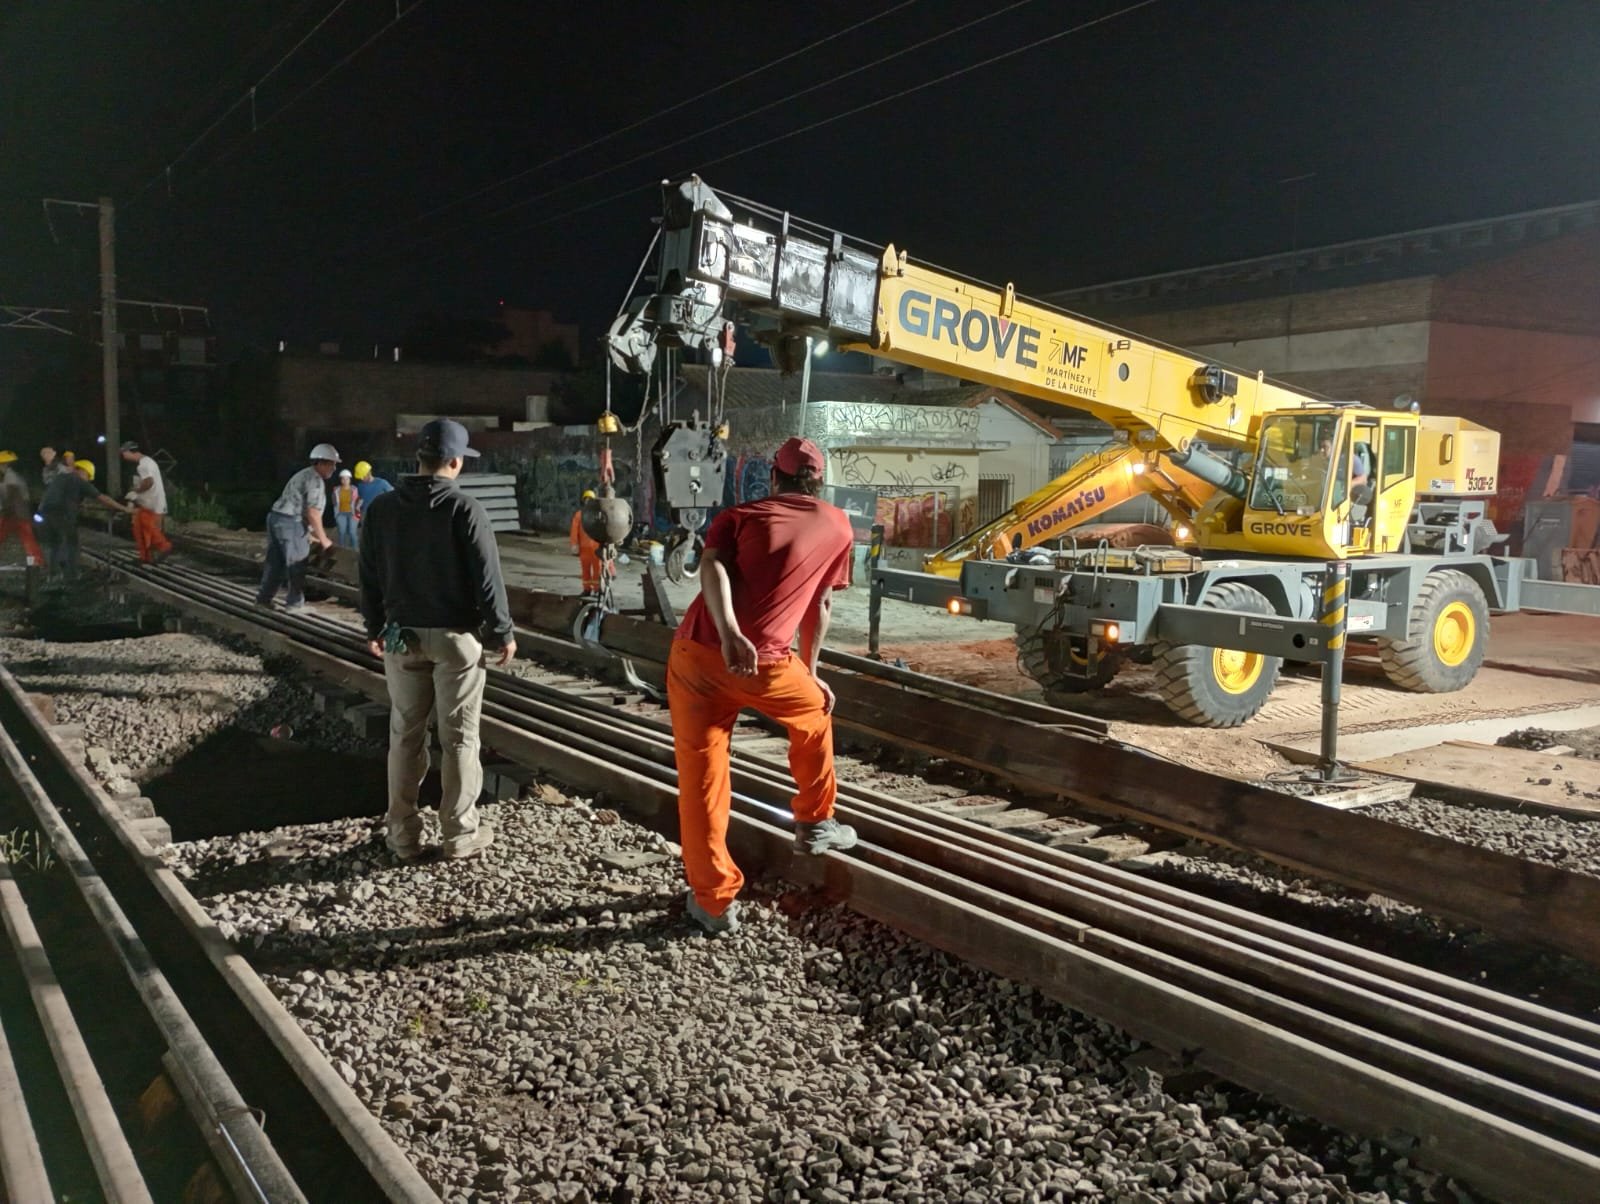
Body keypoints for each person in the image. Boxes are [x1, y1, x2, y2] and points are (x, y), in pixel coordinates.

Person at [667, 436, 858, 935]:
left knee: (702, 781)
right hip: (769, 666)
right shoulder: (839, 526)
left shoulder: (740, 516)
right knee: (815, 712)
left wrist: (730, 634)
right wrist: (812, 673)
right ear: (817, 482)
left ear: (774, 478)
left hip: (696, 659)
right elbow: (821, 606)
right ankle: (816, 822)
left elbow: (710, 567)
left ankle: (712, 903)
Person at [360, 419, 514, 862]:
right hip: (455, 640)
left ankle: (403, 836)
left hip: (400, 638)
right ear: (455, 461)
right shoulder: (465, 509)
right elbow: (488, 580)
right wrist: (501, 631)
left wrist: (373, 627)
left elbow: (368, 577)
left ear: (419, 458)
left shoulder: (383, 509)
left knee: (405, 736)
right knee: (460, 738)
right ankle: (459, 834)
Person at [256, 444, 337, 612]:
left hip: (276, 518)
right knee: (297, 563)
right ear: (320, 463)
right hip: (290, 522)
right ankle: (294, 604)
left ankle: (263, 599)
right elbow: (312, 513)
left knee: (275, 563)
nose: (333, 468)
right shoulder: (315, 480)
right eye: (331, 464)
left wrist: (308, 533)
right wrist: (324, 540)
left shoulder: (303, 475)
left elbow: (299, 504)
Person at [40, 460, 127, 582]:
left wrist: (77, 505)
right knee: (72, 544)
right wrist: (124, 509)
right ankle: (71, 575)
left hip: (45, 514)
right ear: (83, 471)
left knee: (55, 544)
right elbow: (103, 498)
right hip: (62, 515)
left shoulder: (60, 478)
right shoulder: (78, 480)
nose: (88, 480)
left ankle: (53, 575)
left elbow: (62, 495)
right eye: (88, 477)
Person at [119, 441, 174, 563]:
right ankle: (145, 557)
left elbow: (149, 482)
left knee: (149, 529)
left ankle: (163, 547)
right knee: (139, 529)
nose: (123, 456)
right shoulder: (147, 462)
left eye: (123, 453)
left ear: (129, 451)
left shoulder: (143, 465)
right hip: (148, 504)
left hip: (154, 505)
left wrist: (136, 492)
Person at [0, 451, 44, 567]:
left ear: (4, 464)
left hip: (15, 514)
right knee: (28, 538)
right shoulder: (8, 477)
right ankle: (37, 561)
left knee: (26, 537)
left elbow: (13, 497)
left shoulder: (11, 477)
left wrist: (6, 510)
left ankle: (37, 561)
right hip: (18, 514)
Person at [569, 488, 601, 594]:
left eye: (590, 499)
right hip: (584, 548)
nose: (588, 501)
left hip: (596, 548)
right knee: (585, 570)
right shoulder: (579, 515)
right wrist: (574, 544)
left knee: (597, 570)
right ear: (583, 501)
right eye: (586, 499)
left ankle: (597, 590)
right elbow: (574, 530)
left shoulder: (598, 515)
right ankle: (587, 589)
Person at [352, 460, 393, 529]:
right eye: (360, 477)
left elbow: (393, 496)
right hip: (365, 517)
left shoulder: (382, 483)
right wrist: (357, 508)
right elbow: (360, 498)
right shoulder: (360, 485)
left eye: (363, 476)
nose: (361, 478)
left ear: (369, 473)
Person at [332, 469, 359, 548]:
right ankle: (342, 549)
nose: (345, 481)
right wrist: (336, 515)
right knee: (341, 532)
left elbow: (358, 502)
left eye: (347, 478)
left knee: (352, 532)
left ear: (350, 479)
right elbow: (334, 503)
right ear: (341, 480)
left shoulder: (355, 489)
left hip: (352, 513)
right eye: (343, 479)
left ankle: (355, 550)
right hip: (341, 513)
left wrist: (357, 514)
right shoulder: (336, 490)